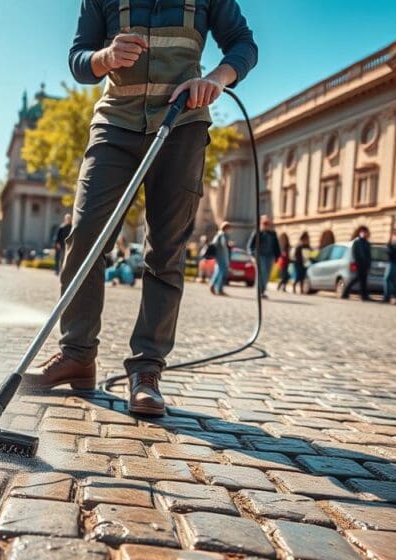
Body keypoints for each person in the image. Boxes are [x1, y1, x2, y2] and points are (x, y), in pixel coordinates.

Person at [22, 0, 257, 416]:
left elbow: (243, 45)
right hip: (114, 126)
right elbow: (79, 60)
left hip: (183, 125)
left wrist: (215, 79)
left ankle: (147, 370)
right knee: (85, 237)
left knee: (165, 251)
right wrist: (105, 58)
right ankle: (77, 355)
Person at [247, 214, 280, 299]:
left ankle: (262, 291)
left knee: (266, 275)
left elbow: (276, 246)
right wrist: (252, 255)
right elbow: (250, 246)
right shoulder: (257, 233)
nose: (266, 225)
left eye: (268, 223)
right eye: (264, 223)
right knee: (260, 274)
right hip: (260, 256)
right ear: (261, 223)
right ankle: (259, 292)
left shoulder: (273, 234)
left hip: (269, 257)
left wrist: (277, 256)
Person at [342, 225, 372, 300]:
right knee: (358, 279)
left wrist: (368, 263)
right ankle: (346, 293)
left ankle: (363, 295)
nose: (364, 234)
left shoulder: (367, 243)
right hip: (359, 263)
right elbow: (355, 253)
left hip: (365, 264)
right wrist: (357, 262)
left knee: (363, 280)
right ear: (360, 233)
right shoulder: (357, 242)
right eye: (363, 232)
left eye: (365, 232)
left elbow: (368, 254)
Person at [209, 221, 231, 296]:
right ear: (226, 228)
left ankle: (212, 286)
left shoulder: (218, 234)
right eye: (229, 228)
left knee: (218, 272)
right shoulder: (223, 235)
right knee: (222, 273)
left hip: (218, 256)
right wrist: (229, 244)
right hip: (222, 256)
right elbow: (223, 244)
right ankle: (219, 289)